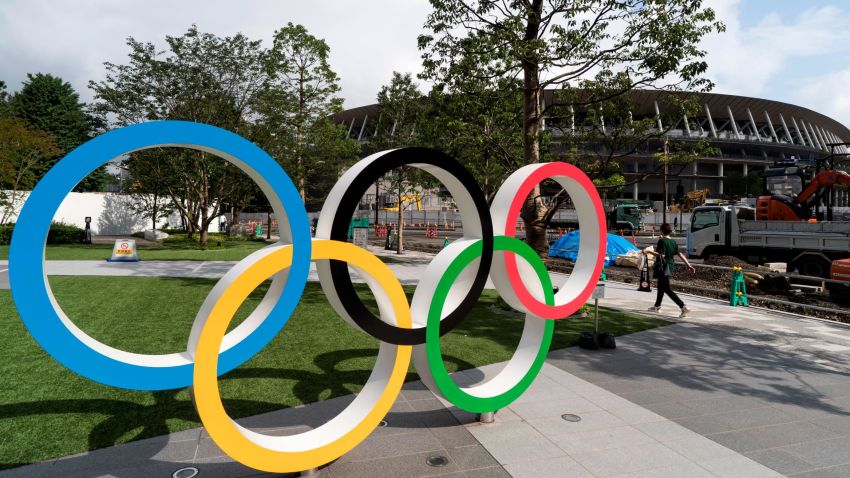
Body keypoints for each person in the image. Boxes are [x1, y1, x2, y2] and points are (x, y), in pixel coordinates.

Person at [644, 222, 695, 317]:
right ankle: (657, 306)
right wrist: (688, 265)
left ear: (662, 230)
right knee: (660, 286)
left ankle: (683, 307)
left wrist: (648, 251)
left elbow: (661, 255)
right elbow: (680, 254)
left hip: (663, 266)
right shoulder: (673, 242)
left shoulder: (662, 241)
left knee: (666, 288)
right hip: (670, 266)